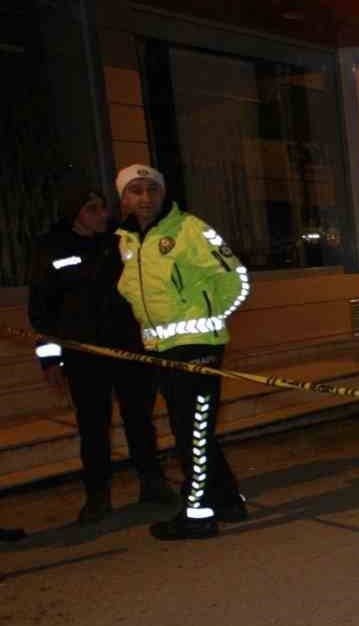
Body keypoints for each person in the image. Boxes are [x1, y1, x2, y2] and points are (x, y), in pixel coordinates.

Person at [29, 181, 176, 524]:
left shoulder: (119, 242)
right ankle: (97, 494)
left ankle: (151, 482)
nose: (102, 215)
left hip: (128, 349)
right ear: (74, 214)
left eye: (103, 207)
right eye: (92, 209)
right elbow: (41, 310)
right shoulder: (52, 248)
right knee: (93, 426)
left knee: (140, 419)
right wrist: (50, 360)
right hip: (83, 355)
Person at [115, 165, 249, 540]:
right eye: (136, 190)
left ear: (163, 193)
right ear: (123, 198)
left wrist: (208, 320)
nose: (145, 198)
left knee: (192, 434)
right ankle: (228, 502)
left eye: (152, 189)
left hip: (198, 348)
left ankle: (198, 514)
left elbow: (236, 279)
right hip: (163, 349)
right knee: (193, 430)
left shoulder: (189, 229)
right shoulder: (127, 240)